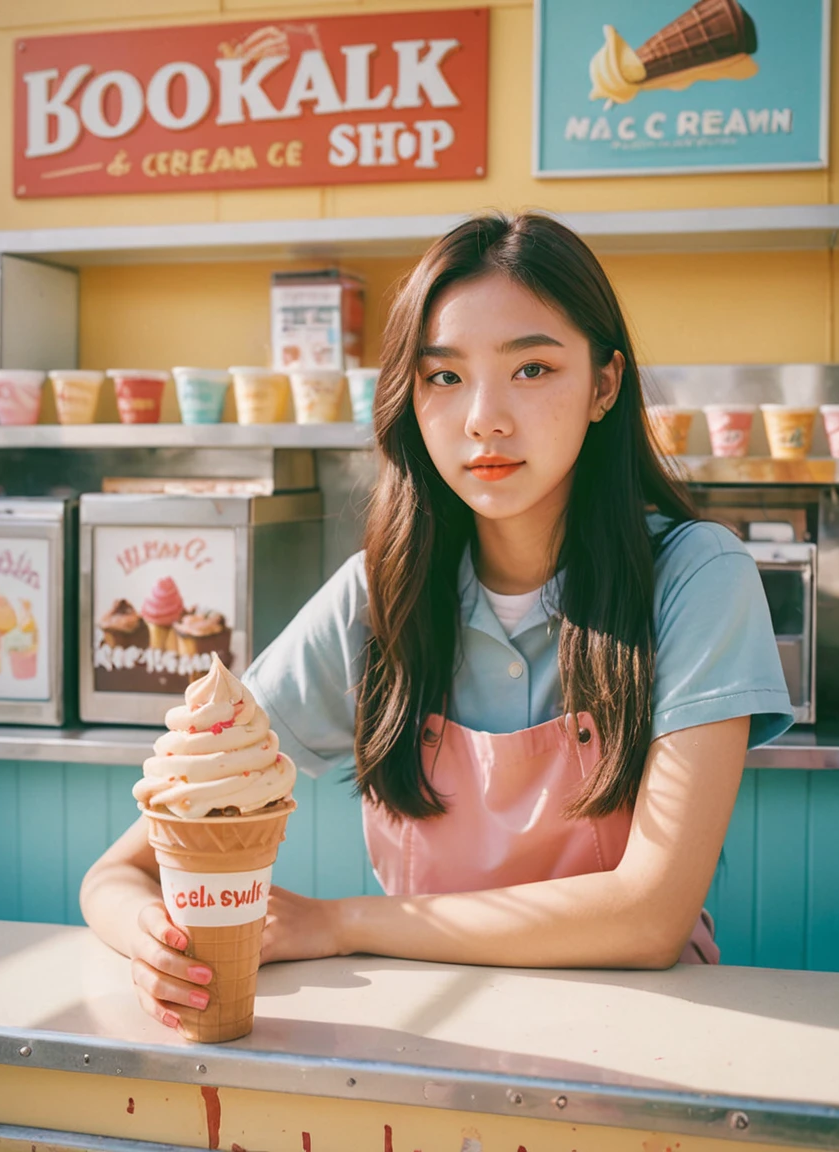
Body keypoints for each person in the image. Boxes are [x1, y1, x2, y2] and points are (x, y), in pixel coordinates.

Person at [80, 211, 793, 1032]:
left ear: (604, 384)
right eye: (444, 377)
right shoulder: (377, 599)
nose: (484, 417)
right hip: (426, 1042)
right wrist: (153, 940)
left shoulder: (698, 578)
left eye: (531, 368)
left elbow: (648, 916)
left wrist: (340, 922)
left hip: (648, 1037)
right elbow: (113, 875)